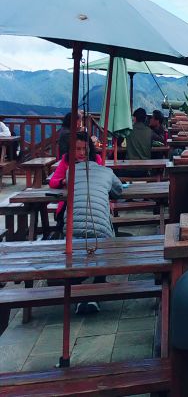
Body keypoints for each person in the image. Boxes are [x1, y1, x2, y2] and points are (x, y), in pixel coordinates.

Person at [49, 131, 122, 314]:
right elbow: (117, 189)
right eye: (77, 149)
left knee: (74, 248)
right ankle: (92, 294)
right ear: (70, 150)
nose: (81, 152)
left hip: (72, 224)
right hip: (97, 226)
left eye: (84, 148)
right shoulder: (95, 168)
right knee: (102, 242)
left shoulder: (76, 168)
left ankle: (79, 292)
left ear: (89, 149)